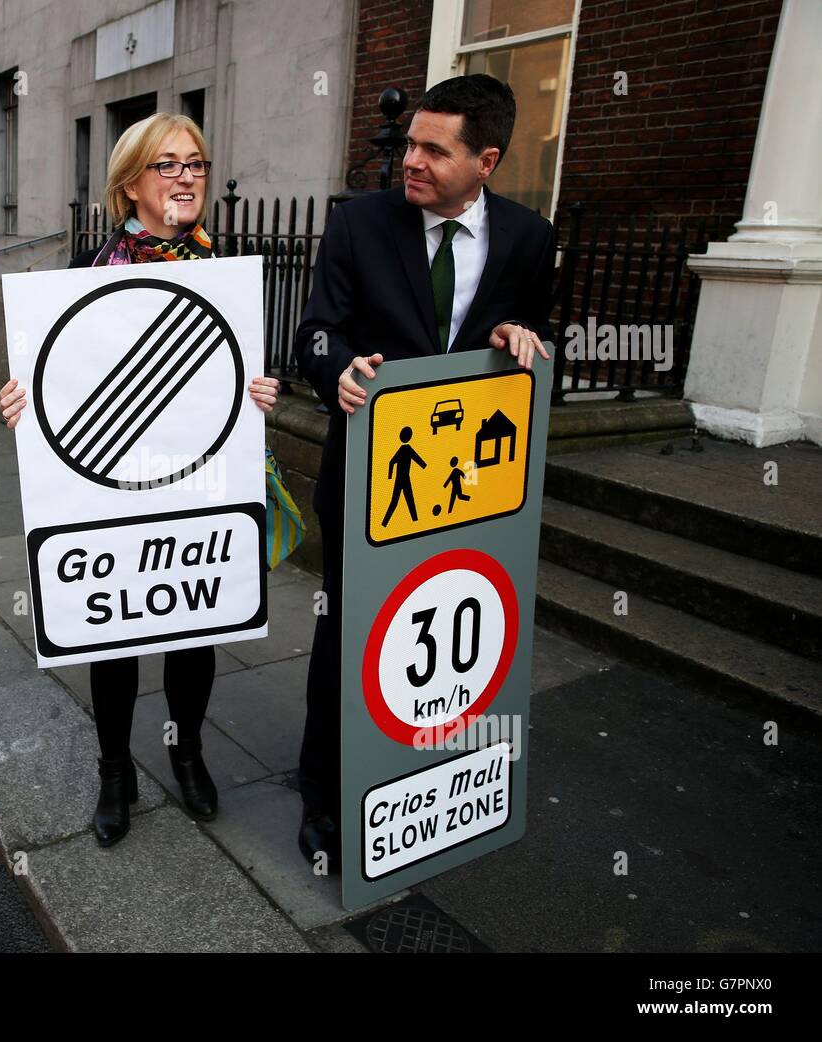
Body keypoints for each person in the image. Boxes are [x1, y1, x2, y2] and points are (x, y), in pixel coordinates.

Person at [293, 74, 554, 871]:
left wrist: (521, 334)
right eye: (409, 143)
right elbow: (312, 333)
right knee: (348, 631)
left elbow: (540, 333)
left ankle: (423, 778)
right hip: (370, 478)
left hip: (470, 487)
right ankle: (328, 799)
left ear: (487, 160)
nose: (411, 160)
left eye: (434, 150)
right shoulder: (359, 225)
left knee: (443, 626)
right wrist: (333, 368)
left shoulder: (528, 238)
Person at [0, 112, 280, 847]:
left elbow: (235, 376)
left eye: (196, 163)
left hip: (198, 479)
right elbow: (63, 382)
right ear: (130, 185)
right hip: (114, 485)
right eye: (168, 165)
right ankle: (115, 770)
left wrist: (260, 392)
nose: (187, 176)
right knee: (113, 635)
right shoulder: (93, 273)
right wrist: (21, 400)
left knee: (196, 629)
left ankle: (187, 752)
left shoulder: (226, 272)